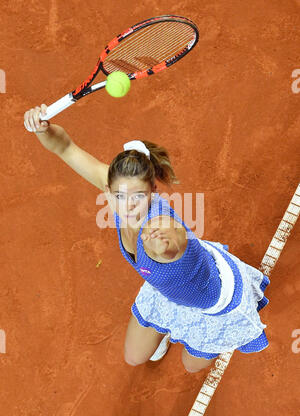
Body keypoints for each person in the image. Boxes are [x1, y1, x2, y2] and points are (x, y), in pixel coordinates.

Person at [23, 104, 271, 373]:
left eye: (138, 197)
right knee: (134, 357)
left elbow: (172, 244)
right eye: (119, 196)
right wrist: (41, 127)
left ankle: (195, 334)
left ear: (152, 190)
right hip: (168, 291)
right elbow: (65, 148)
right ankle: (167, 330)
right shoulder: (119, 191)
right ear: (107, 190)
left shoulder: (164, 230)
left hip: (216, 301)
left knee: (190, 366)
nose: (128, 206)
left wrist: (167, 244)